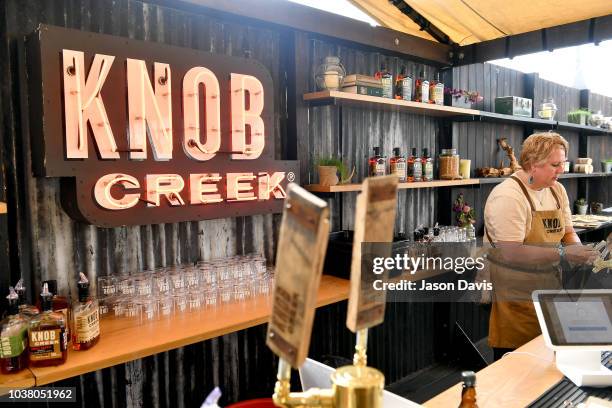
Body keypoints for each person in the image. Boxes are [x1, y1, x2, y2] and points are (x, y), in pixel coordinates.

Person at [483, 132, 599, 360]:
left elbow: (568, 232)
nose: (562, 170)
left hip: (550, 289)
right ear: (532, 164)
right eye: (555, 165)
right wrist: (565, 254)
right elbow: (512, 252)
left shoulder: (556, 190)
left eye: (563, 163)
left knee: (550, 365)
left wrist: (580, 252)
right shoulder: (508, 197)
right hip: (515, 295)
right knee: (518, 369)